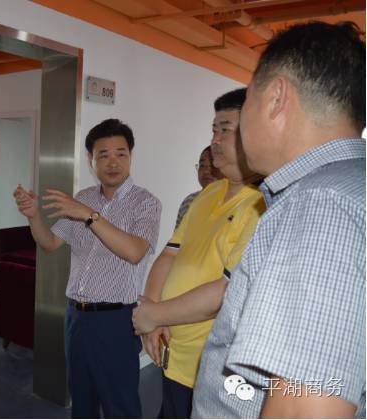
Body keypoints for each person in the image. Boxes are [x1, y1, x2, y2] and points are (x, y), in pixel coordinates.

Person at [192, 21, 365, 418]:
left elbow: (301, 409)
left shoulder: (320, 206)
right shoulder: (351, 188)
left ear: (275, 97)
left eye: (248, 99)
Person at [14, 118, 161, 418]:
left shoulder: (145, 203)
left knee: (120, 406)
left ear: (131, 156)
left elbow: (134, 252)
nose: (112, 162)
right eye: (103, 155)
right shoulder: (83, 199)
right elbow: (50, 243)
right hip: (76, 317)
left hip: (116, 320)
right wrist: (33, 216)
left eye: (120, 153)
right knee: (82, 403)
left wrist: (90, 216)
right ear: (90, 160)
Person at [132, 88, 265, 418]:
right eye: (213, 130)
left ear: (254, 131)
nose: (215, 140)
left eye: (225, 129)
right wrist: (153, 314)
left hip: (211, 366)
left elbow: (227, 290)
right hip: (172, 352)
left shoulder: (261, 205)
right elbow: (170, 254)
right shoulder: (209, 193)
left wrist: (155, 316)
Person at [175, 146, 222, 228]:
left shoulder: (231, 201)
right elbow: (177, 235)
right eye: (202, 165)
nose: (206, 171)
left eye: (213, 165)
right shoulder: (189, 201)